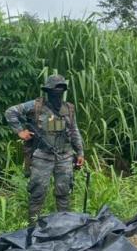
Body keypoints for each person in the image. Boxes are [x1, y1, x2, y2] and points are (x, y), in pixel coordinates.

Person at [5, 74, 84, 224]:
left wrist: (80, 152)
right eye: (54, 90)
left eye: (60, 89)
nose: (57, 93)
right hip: (42, 156)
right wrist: (20, 131)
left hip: (65, 156)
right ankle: (32, 228)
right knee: (37, 193)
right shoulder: (36, 106)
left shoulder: (69, 108)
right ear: (48, 91)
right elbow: (11, 112)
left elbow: (74, 131)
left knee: (64, 192)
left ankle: (65, 226)